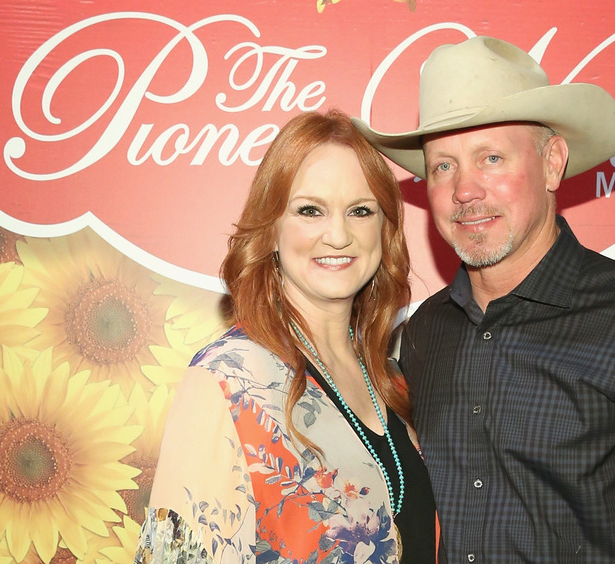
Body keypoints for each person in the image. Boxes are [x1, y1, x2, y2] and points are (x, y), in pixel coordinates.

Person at [354, 36, 615, 562]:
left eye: (491, 158)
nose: (464, 190)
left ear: (553, 163)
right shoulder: (426, 333)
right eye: (443, 166)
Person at [134, 109, 436, 564]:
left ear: (384, 228)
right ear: (272, 228)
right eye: (309, 210)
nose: (338, 235)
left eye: (360, 210)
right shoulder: (227, 380)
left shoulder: (391, 378)